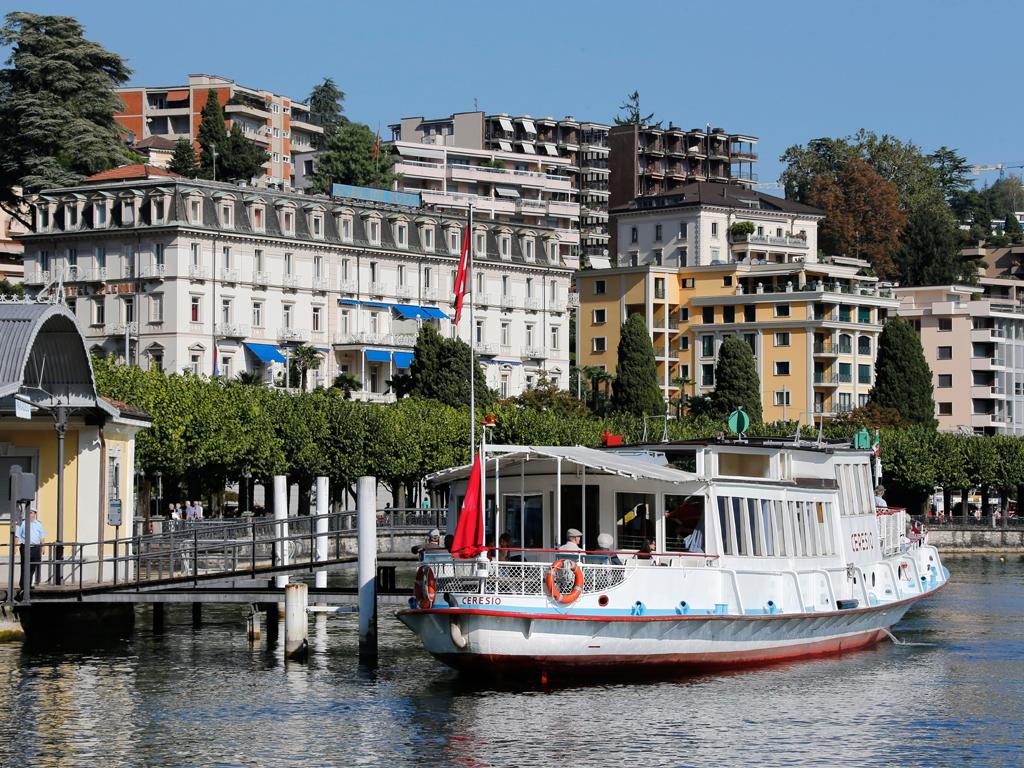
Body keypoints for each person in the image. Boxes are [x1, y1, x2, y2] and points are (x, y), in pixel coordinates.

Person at [15, 508, 46, 588]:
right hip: (25, 547)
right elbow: (17, 535)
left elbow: (42, 536)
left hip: (36, 548)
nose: (30, 515)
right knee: (25, 566)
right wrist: (15, 547)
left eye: (31, 513)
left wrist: (43, 547)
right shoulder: (23, 523)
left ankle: (28, 584)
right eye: (29, 513)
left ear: (35, 514)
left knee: (33, 567)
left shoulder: (39, 524)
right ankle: (23, 585)